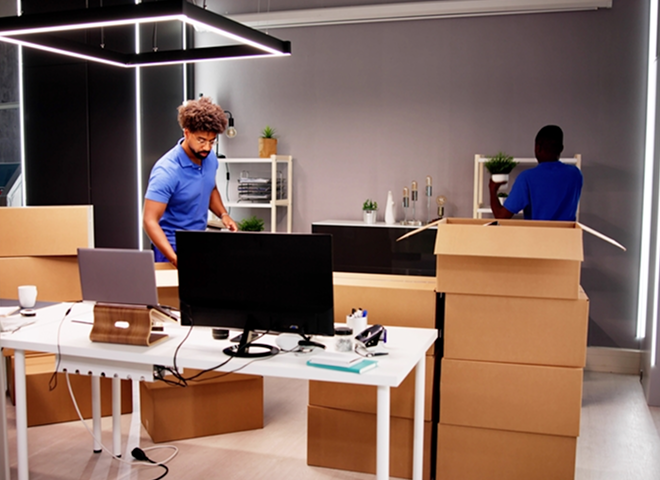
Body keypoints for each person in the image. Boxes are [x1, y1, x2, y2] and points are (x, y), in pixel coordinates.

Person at [143, 97, 237, 267]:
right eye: (201, 140)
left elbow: (210, 188)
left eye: (212, 141)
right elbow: (149, 220)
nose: (207, 147)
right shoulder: (167, 170)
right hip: (170, 246)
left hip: (198, 242)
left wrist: (223, 215)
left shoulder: (209, 158)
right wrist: (174, 258)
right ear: (186, 133)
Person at [489, 125, 583, 221]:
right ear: (561, 148)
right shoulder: (575, 174)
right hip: (568, 231)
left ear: (537, 148)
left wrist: (492, 190)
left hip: (537, 231)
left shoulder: (527, 178)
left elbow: (501, 216)